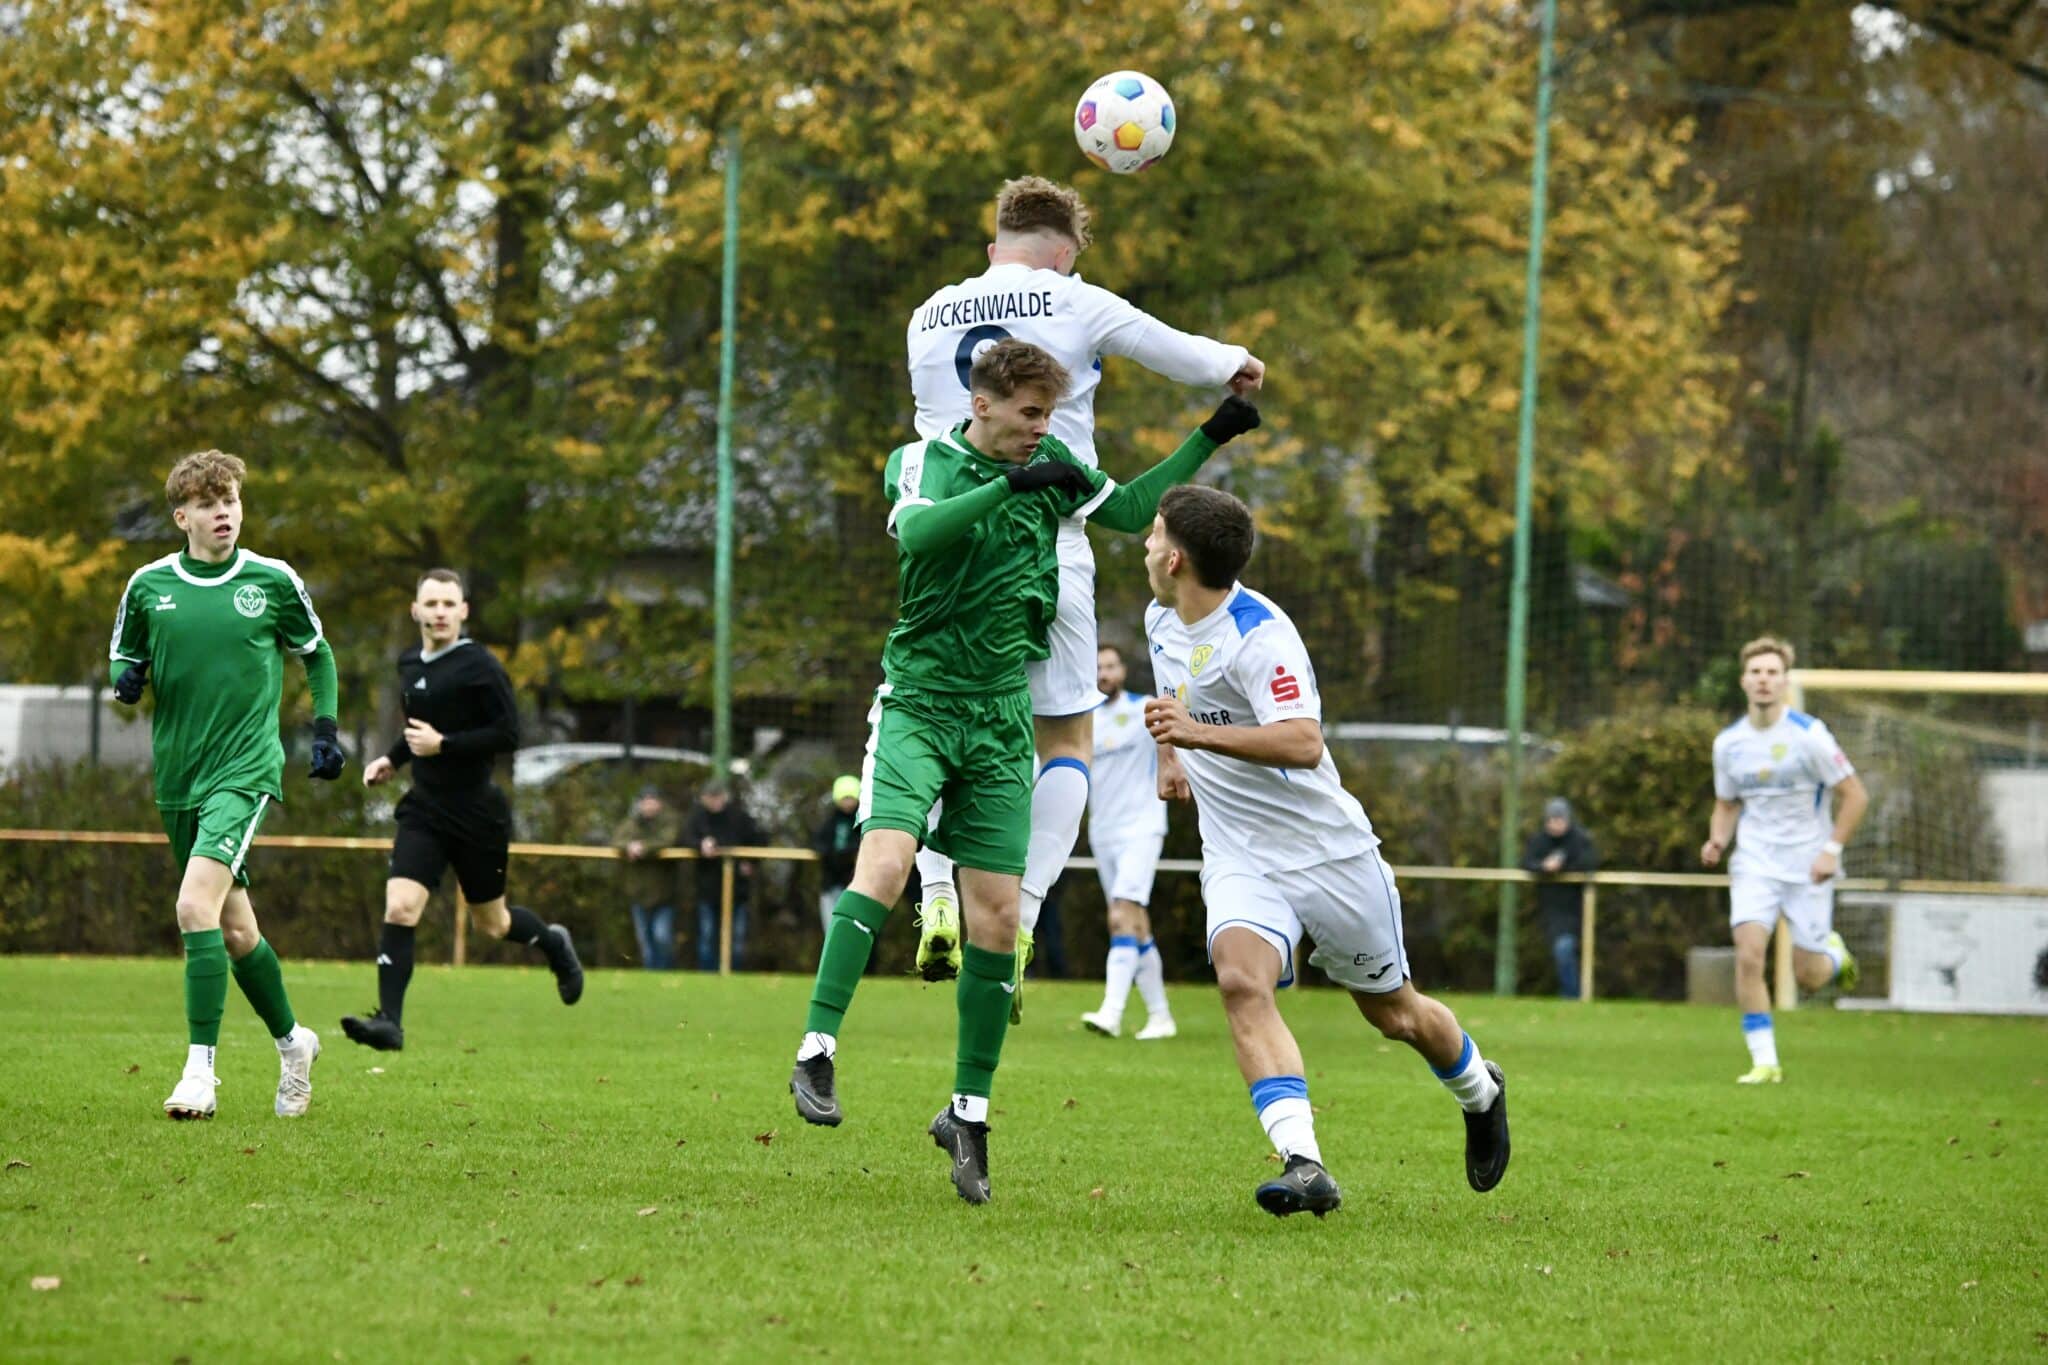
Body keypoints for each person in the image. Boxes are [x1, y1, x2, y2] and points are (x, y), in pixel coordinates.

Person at [786, 338, 1260, 1206]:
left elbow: (1134, 512)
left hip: (1002, 717)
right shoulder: (922, 457)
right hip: (921, 703)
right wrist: (1007, 486)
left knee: (999, 919)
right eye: (1033, 414)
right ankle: (817, 1050)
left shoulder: (1054, 463)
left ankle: (967, 1112)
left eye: (1051, 415)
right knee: (886, 863)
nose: (1045, 429)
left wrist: (1214, 431)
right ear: (985, 402)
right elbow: (921, 536)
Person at [905, 175, 1265, 1024]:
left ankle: (934, 891)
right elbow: (1171, 346)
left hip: (946, 535)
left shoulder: (927, 313)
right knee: (1064, 738)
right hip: (1053, 535)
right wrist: (1233, 366)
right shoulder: (1078, 298)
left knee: (938, 718)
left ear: (993, 248)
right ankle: (1021, 919)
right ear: (1064, 257)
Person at [1140, 486, 1510, 1217]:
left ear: (1177, 557)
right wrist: (1171, 758)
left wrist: (1197, 736)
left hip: (1327, 855)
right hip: (1241, 854)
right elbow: (1176, 704)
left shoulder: (1261, 633)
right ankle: (1304, 1162)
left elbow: (1303, 743)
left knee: (1396, 1016)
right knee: (1241, 982)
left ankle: (1481, 1089)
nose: (1145, 546)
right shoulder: (1160, 618)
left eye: (1153, 535)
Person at [109, 448, 338, 1120]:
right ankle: (294, 1043)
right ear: (183, 515)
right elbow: (127, 654)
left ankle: (199, 1074)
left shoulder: (270, 580)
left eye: (231, 502)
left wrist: (324, 727)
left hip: (245, 771)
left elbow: (315, 652)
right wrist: (127, 678)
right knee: (234, 931)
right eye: (209, 505)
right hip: (179, 775)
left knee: (190, 907)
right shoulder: (149, 585)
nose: (224, 514)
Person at [342, 570, 584, 1052]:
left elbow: (508, 735)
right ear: (415, 611)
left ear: (463, 611)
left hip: (477, 814)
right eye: (430, 604)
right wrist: (393, 758)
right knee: (401, 906)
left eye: (448, 604)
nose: (438, 613)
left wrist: (444, 744)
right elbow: (419, 730)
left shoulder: (481, 667)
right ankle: (389, 1021)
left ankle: (554, 944)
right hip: (425, 810)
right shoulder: (409, 662)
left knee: (492, 925)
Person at [1701, 636, 1869, 1084]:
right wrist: (1718, 840)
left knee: (1809, 975)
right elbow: (1727, 802)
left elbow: (1854, 795)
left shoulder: (1809, 735)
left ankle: (1833, 955)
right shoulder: (1729, 744)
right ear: (1744, 681)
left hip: (1807, 866)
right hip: (1754, 862)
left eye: (1772, 672)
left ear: (1784, 681)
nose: (1763, 680)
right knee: (1750, 954)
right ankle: (1765, 1061)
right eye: (1756, 672)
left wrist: (1831, 850)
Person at [1079, 643, 1176, 1040]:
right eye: (1098, 668)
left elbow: (1174, 735)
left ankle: (1112, 1012)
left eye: (1110, 666)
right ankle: (1160, 1016)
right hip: (1103, 831)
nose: (1104, 673)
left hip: (1142, 826)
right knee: (1134, 924)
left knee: (1120, 914)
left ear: (1122, 670)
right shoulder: (1083, 722)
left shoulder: (1144, 709)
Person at [1521, 797, 1599, 998]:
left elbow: (1590, 862)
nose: (1556, 824)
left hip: (1576, 908)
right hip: (1551, 909)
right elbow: (1526, 862)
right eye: (1552, 820)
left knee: (1564, 949)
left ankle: (1571, 997)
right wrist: (1543, 867)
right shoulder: (1539, 840)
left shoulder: (1579, 839)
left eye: (1560, 820)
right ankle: (1570, 995)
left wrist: (1562, 867)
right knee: (1561, 951)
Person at [685, 781, 762, 971]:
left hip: (737, 889)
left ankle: (732, 974)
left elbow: (759, 838)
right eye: (711, 796)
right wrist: (700, 845)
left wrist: (751, 863)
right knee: (707, 934)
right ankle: (707, 976)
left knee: (736, 937)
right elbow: (684, 838)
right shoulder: (697, 818)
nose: (715, 801)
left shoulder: (739, 817)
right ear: (703, 798)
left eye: (718, 796)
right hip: (707, 888)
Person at [616, 787, 684, 970]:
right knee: (645, 940)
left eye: (652, 800)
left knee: (661, 936)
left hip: (664, 892)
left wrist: (642, 848)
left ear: (659, 802)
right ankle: (651, 975)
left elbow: (667, 841)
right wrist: (628, 847)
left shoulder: (669, 821)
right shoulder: (631, 823)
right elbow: (617, 841)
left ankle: (664, 972)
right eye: (645, 801)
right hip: (638, 891)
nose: (648, 805)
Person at [812, 775, 863, 934]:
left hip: (855, 883)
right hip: (831, 883)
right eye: (844, 798)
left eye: (850, 798)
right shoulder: (831, 821)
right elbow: (818, 843)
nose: (847, 802)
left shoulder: (862, 822)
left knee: (855, 929)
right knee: (832, 929)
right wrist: (830, 854)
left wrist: (847, 854)